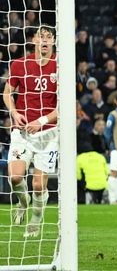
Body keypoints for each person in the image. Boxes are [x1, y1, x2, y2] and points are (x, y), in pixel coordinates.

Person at [4, 26, 59, 238]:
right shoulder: (19, 65)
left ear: (53, 41)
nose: (44, 41)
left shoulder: (60, 66)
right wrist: (15, 113)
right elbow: (8, 93)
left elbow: (65, 105)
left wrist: (42, 120)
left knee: (38, 185)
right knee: (16, 177)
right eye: (41, 37)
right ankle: (22, 202)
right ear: (33, 40)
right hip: (23, 131)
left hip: (49, 134)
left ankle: (36, 219)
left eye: (49, 37)